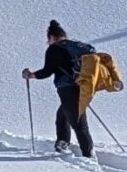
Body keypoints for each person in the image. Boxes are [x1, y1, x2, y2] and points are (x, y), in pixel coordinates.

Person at [23, 20, 95, 157]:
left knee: (78, 123)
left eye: (48, 39)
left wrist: (31, 75)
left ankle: (89, 154)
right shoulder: (76, 46)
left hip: (67, 88)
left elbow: (47, 71)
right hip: (85, 87)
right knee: (62, 116)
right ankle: (62, 142)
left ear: (51, 37)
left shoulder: (54, 49)